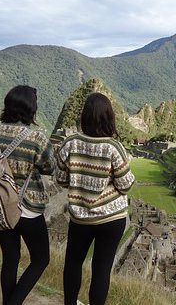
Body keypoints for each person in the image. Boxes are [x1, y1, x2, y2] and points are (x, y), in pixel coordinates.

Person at [55, 93, 135, 305]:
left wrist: (80, 181)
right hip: (112, 219)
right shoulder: (113, 147)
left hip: (81, 217)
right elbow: (126, 184)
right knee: (102, 269)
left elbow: (61, 179)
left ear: (84, 117)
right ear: (109, 117)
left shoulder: (70, 144)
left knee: (73, 263)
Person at [0, 85, 54, 305]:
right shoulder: (36, 138)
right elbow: (50, 167)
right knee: (41, 259)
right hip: (27, 208)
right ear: (31, 109)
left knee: (10, 258)